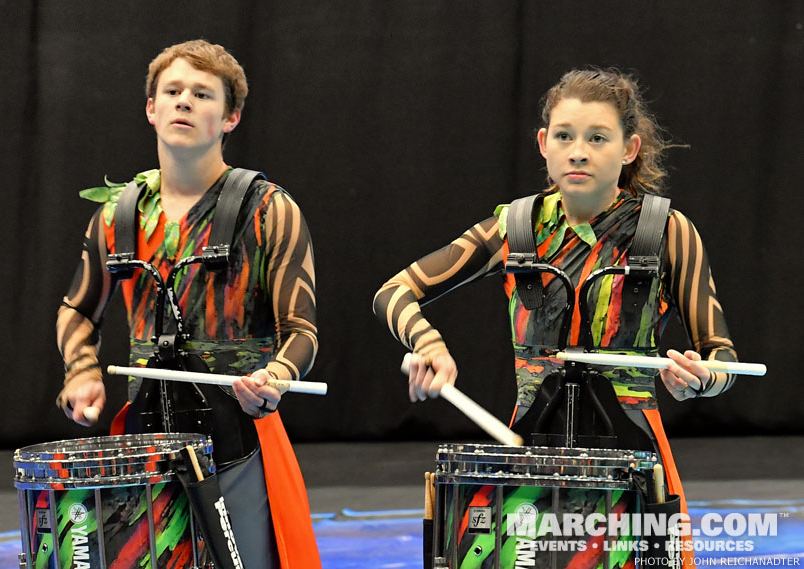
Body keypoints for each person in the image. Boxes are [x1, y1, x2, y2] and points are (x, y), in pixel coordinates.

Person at [373, 68, 737, 567]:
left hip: (634, 460)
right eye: (564, 136)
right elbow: (394, 292)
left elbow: (722, 359)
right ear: (544, 143)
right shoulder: (514, 228)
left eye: (598, 137)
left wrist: (700, 379)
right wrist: (428, 344)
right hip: (529, 455)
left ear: (628, 149)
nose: (578, 151)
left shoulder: (670, 232)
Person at [55, 39, 321, 569]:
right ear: (151, 109)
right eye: (172, 91)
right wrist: (80, 372)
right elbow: (79, 310)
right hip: (145, 443)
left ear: (231, 118)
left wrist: (276, 376)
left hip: (241, 440)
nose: (184, 102)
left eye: (202, 94)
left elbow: (301, 328)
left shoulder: (270, 209)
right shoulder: (117, 216)